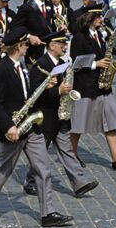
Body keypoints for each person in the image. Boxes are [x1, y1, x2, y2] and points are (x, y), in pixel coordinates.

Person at [0, 26, 73, 227]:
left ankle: (48, 213)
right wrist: (8, 126)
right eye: (26, 44)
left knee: (43, 169)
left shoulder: (23, 65)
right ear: (18, 46)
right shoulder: (2, 69)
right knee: (3, 170)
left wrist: (47, 86)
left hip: (31, 125)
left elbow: (28, 93)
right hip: (14, 127)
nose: (28, 47)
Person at [24, 31, 99, 197]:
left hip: (60, 116)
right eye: (61, 44)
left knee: (67, 151)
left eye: (65, 43)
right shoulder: (41, 65)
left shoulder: (61, 63)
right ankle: (30, 182)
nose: (65, 47)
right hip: (45, 117)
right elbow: (35, 93)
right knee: (40, 152)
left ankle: (80, 183)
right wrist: (58, 90)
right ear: (52, 46)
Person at [70, 4, 116, 170]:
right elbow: (75, 62)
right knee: (78, 125)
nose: (101, 19)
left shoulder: (99, 34)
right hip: (86, 86)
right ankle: (72, 155)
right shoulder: (79, 37)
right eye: (98, 16)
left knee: (110, 122)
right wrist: (95, 63)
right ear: (89, 19)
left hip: (102, 87)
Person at [10, 0, 53, 64]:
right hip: (33, 53)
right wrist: (28, 36)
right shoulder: (26, 7)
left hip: (47, 50)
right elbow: (14, 28)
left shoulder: (49, 5)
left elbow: (48, 25)